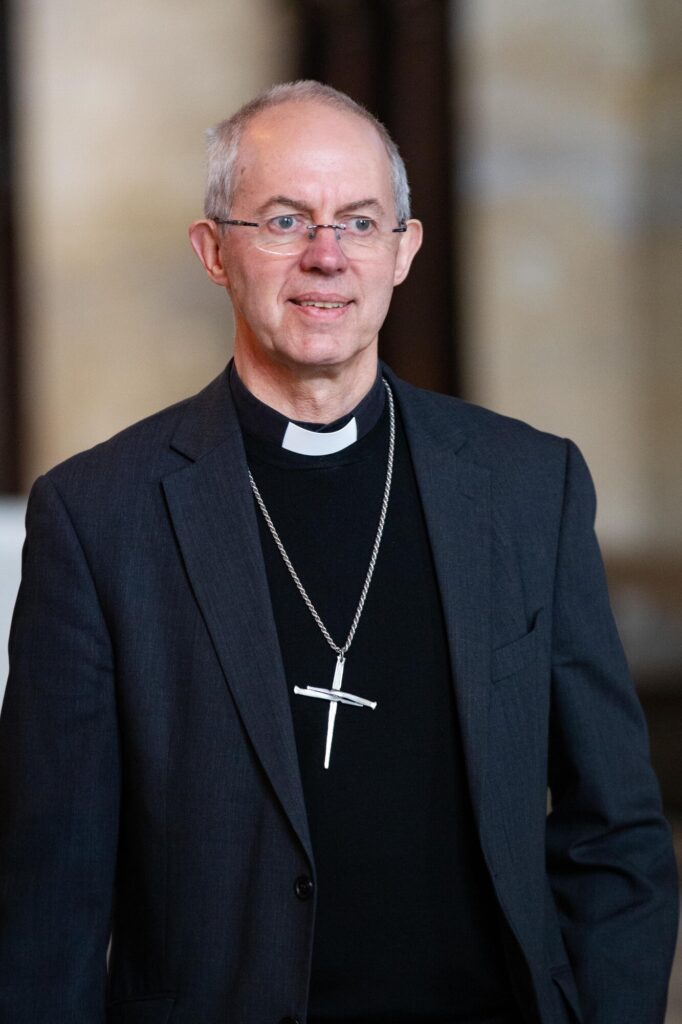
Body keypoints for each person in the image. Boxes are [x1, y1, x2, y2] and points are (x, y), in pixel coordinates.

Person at [0, 80, 677, 1024]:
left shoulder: (531, 487)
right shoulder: (97, 516)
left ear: (405, 252)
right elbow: (49, 899)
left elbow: (616, 834)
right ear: (214, 252)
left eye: (360, 222)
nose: (327, 255)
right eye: (284, 219)